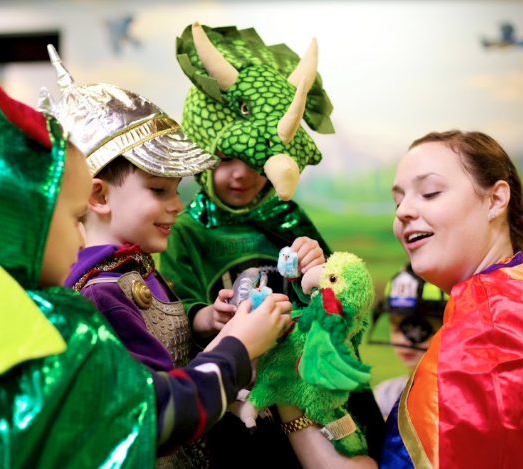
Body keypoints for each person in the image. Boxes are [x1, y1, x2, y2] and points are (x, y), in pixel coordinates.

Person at [0, 83, 291, 469]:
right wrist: (238, 346)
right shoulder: (63, 321)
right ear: (28, 224)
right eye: (75, 217)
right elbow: (150, 414)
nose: (80, 236)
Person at [39, 47, 291, 468]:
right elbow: (161, 407)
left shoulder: (132, 269)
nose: (177, 205)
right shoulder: (102, 293)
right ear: (99, 195)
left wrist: (204, 322)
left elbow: (168, 350)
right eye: (158, 190)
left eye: (176, 190)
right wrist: (239, 343)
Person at [160, 23, 385, 469]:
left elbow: (333, 302)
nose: (241, 174)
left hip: (301, 393)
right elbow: (172, 312)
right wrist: (208, 317)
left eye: (255, 161)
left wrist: (316, 270)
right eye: (227, 159)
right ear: (203, 154)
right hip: (232, 403)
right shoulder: (186, 230)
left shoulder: (288, 218)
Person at [382, 130, 523, 468]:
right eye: (397, 201)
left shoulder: (492, 318)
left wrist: (296, 408)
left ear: (495, 200)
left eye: (430, 193)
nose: (403, 211)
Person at [368, 263, 447, 419]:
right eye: (396, 326)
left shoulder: (467, 398)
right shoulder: (386, 395)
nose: (404, 340)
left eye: (418, 327)